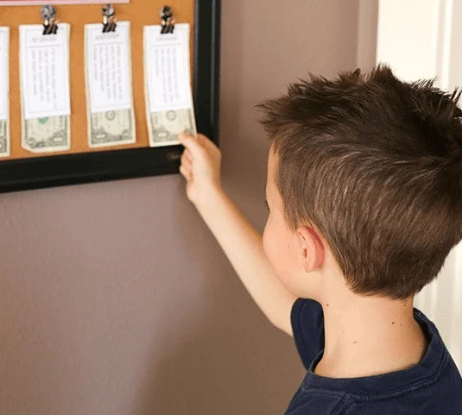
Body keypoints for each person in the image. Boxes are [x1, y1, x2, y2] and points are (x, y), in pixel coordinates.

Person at [179, 66, 462, 414]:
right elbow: (283, 304)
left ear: (306, 249)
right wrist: (209, 195)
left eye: (271, 208)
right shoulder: (415, 353)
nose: (268, 214)